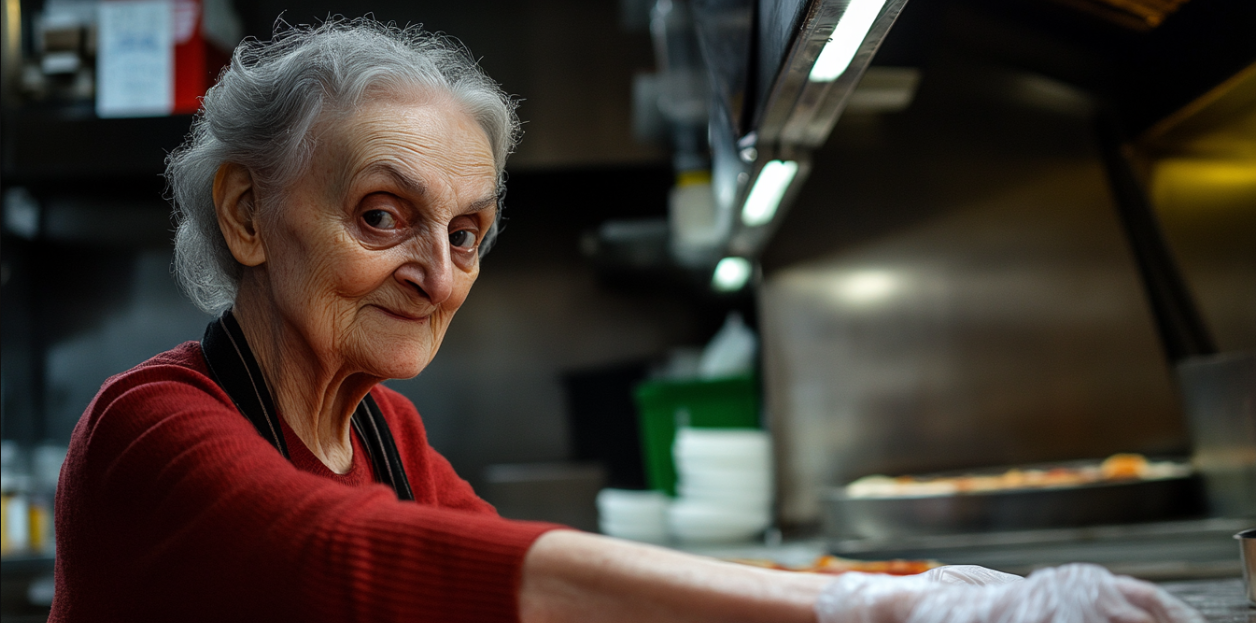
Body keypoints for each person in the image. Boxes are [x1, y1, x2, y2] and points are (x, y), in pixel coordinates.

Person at [50, 18, 1202, 623]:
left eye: (465, 234)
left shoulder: (386, 435)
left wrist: (917, 577)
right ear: (248, 214)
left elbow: (551, 581)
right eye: (384, 214)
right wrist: (869, 604)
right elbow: (362, 562)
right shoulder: (151, 427)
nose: (437, 275)